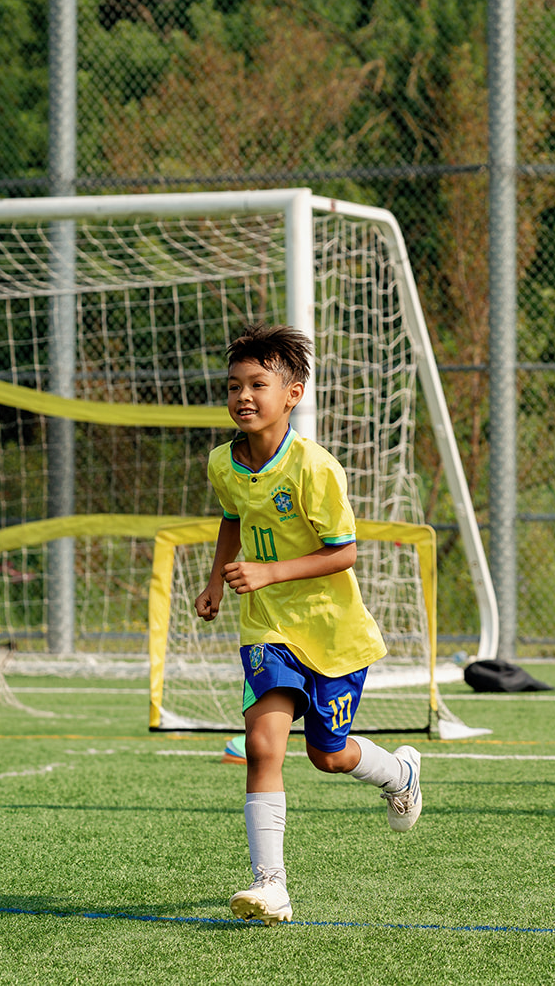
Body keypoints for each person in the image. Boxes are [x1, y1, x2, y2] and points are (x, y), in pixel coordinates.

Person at [194, 323, 422, 926]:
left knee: (328, 755)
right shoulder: (221, 463)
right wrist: (216, 580)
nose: (243, 396)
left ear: (292, 394)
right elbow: (231, 518)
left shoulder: (315, 467)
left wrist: (269, 571)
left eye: (258, 384)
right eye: (234, 385)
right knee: (262, 746)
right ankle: (271, 886)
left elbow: (344, 553)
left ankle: (400, 773)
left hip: (332, 634)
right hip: (267, 630)